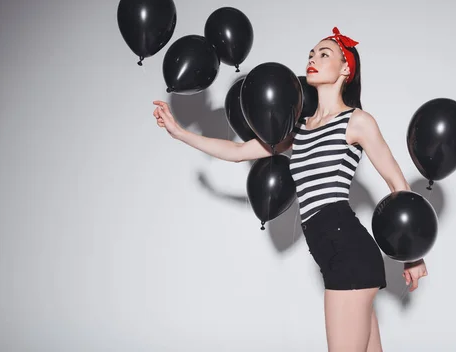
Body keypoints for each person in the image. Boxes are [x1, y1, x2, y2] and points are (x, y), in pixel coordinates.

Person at [152, 27, 428, 351]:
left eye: (324, 54)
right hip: (334, 255)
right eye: (311, 54)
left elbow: (397, 184)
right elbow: (239, 152)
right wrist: (180, 133)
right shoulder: (297, 129)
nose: (313, 59)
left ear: (345, 70)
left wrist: (413, 255)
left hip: (348, 251)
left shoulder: (357, 121)